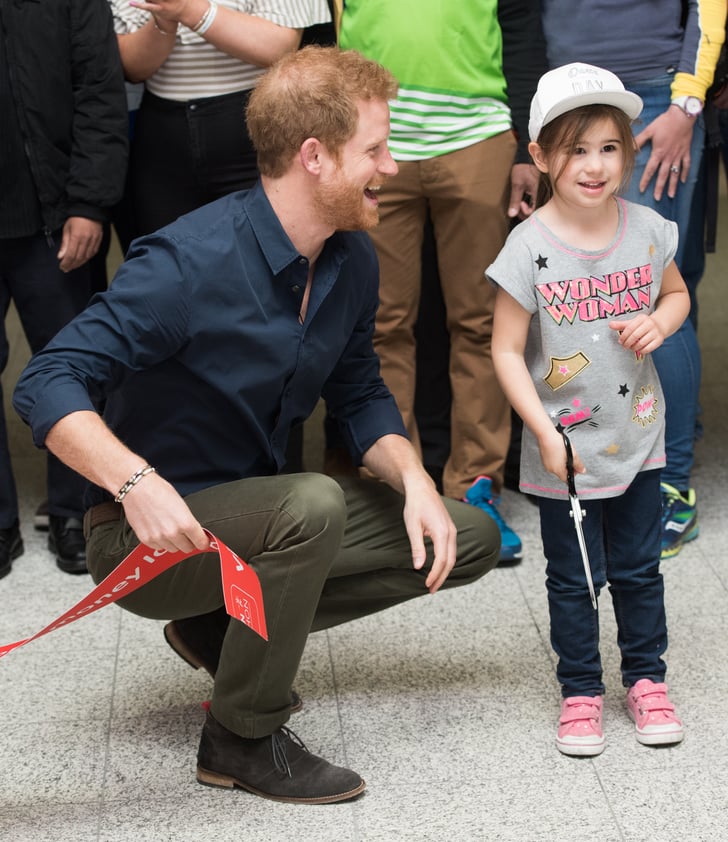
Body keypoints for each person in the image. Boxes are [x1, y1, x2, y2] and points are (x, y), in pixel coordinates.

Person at [13, 46, 500, 803]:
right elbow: (47, 379)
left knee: (462, 539)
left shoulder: (350, 260)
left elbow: (361, 390)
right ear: (315, 156)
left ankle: (219, 634)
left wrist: (414, 481)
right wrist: (133, 482)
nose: (392, 166)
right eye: (375, 148)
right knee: (312, 503)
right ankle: (240, 737)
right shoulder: (186, 264)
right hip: (147, 539)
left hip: (258, 522)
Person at [489, 63, 691, 756]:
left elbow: (677, 295)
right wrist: (542, 432)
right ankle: (581, 690)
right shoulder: (528, 248)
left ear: (628, 152)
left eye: (609, 147)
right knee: (574, 578)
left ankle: (647, 679)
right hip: (564, 453)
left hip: (639, 438)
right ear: (541, 157)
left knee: (639, 568)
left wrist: (662, 324)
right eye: (576, 149)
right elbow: (507, 351)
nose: (595, 165)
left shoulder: (648, 230)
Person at [332, 0, 547, 565]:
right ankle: (394, 491)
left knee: (484, 322)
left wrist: (526, 138)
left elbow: (522, 28)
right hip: (373, 137)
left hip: (478, 136)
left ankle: (476, 488)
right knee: (379, 325)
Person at [540, 1, 726, 560]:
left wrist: (685, 106)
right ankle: (628, 465)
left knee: (652, 294)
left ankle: (672, 484)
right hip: (562, 95)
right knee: (597, 293)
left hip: (649, 99)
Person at [0, 0, 128, 578]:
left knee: (71, 368)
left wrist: (88, 202)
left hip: (55, 215)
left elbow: (99, 91)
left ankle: (77, 514)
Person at [109, 0, 332, 237]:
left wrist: (190, 10)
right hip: (164, 134)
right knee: (171, 257)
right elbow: (132, 67)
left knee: (267, 250)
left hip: (256, 124)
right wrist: (164, 21)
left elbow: (279, 45)